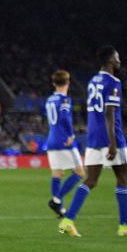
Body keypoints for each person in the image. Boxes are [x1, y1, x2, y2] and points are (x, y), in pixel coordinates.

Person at [58, 46, 127, 237]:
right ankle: (124, 226)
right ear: (111, 61)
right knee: (123, 176)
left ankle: (67, 220)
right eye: (118, 58)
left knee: (91, 180)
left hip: (93, 136)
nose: (120, 61)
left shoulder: (92, 81)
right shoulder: (113, 82)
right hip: (110, 137)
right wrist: (112, 143)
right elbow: (110, 113)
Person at [44, 70, 84, 218]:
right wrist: (71, 135)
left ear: (54, 83)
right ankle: (56, 200)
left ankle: (60, 210)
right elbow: (66, 118)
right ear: (68, 83)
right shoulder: (65, 100)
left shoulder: (49, 100)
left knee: (57, 173)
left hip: (51, 140)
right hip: (63, 140)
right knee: (79, 172)